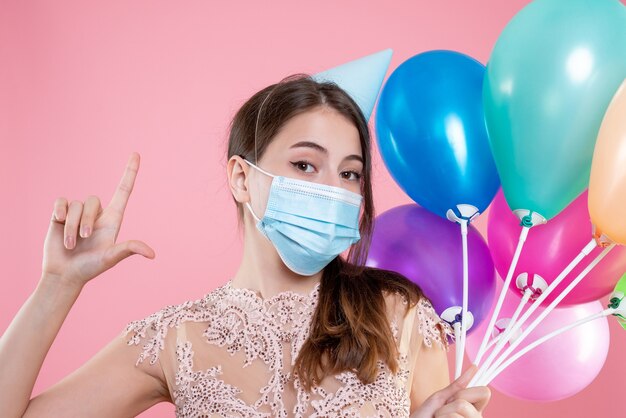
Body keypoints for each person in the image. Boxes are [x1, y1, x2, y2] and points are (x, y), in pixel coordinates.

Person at [0, 74, 491, 417]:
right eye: (304, 165)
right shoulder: (178, 339)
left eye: (350, 173)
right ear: (240, 176)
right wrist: (56, 285)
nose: (332, 189)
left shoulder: (400, 316)